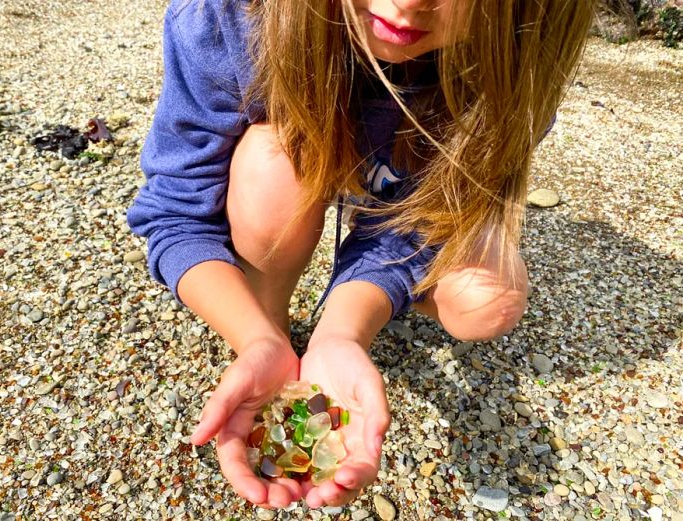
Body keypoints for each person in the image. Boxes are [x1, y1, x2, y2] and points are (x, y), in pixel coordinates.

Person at [127, 0, 594, 510]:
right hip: (289, 155)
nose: (410, 3)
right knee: (271, 166)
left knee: (487, 297)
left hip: (408, 179)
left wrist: (342, 333)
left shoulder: (514, 62)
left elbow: (421, 225)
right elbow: (176, 213)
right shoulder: (228, 20)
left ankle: (332, 328)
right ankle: (271, 324)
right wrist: (254, 337)